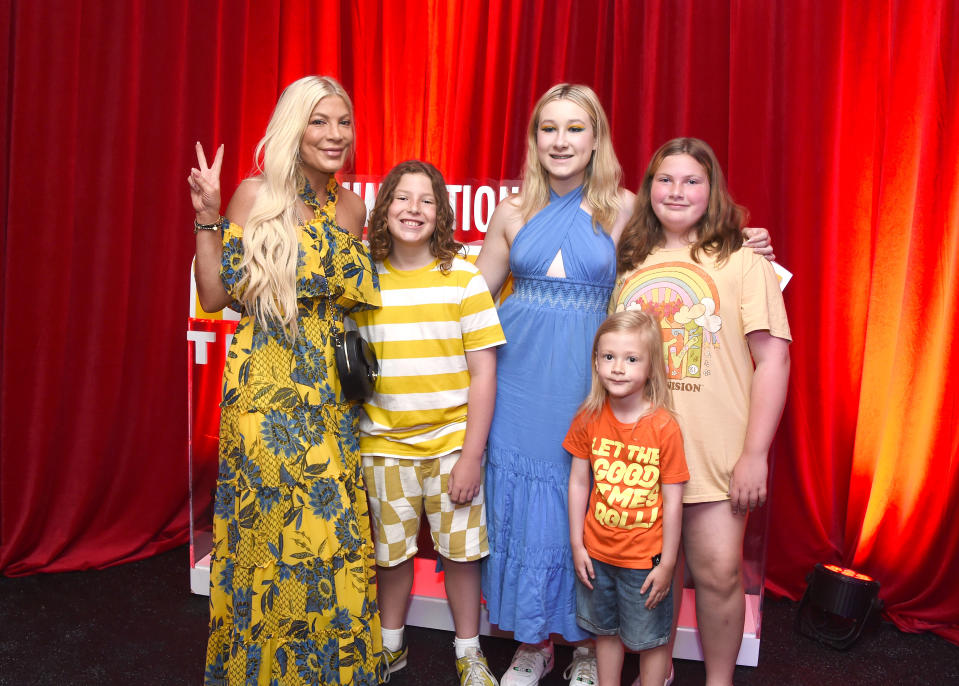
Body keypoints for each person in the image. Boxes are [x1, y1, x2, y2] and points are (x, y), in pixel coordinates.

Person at [476, 83, 775, 686]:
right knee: (530, 509)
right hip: (521, 383)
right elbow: (472, 300)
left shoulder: (627, 207)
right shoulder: (511, 211)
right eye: (548, 128)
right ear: (534, 139)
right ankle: (533, 643)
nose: (560, 141)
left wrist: (745, 241)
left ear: (597, 139)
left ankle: (589, 645)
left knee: (595, 506)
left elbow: (686, 237)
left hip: (598, 383)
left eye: (575, 128)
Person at [188, 75, 386, 685]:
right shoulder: (254, 195)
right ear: (294, 129)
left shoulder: (353, 208)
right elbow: (217, 295)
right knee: (274, 534)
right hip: (266, 391)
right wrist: (206, 217)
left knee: (335, 536)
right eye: (319, 121)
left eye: (343, 122)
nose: (334, 134)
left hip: (330, 391)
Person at [611, 137, 791, 686]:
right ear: (648, 190)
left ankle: (718, 680)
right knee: (649, 579)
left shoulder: (742, 258)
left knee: (717, 574)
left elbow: (773, 358)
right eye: (665, 180)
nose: (677, 191)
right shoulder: (632, 260)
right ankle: (655, 674)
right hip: (638, 455)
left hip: (714, 455)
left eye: (692, 180)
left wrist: (754, 454)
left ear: (712, 190)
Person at [352, 160, 506, 686]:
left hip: (449, 448)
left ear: (442, 212)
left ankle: (468, 651)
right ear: (383, 208)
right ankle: (389, 644)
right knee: (390, 556)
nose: (413, 209)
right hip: (383, 448)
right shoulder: (362, 279)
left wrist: (471, 455)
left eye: (426, 200)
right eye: (401, 198)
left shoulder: (462, 276)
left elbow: (484, 372)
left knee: (462, 556)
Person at [565, 310, 688, 686]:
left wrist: (667, 563)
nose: (618, 368)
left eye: (631, 359)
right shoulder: (588, 417)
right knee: (606, 632)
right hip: (597, 555)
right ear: (596, 362)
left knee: (650, 640)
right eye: (608, 357)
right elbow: (578, 483)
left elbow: (673, 500)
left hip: (645, 562)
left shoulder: (664, 427)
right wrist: (576, 544)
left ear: (651, 367)